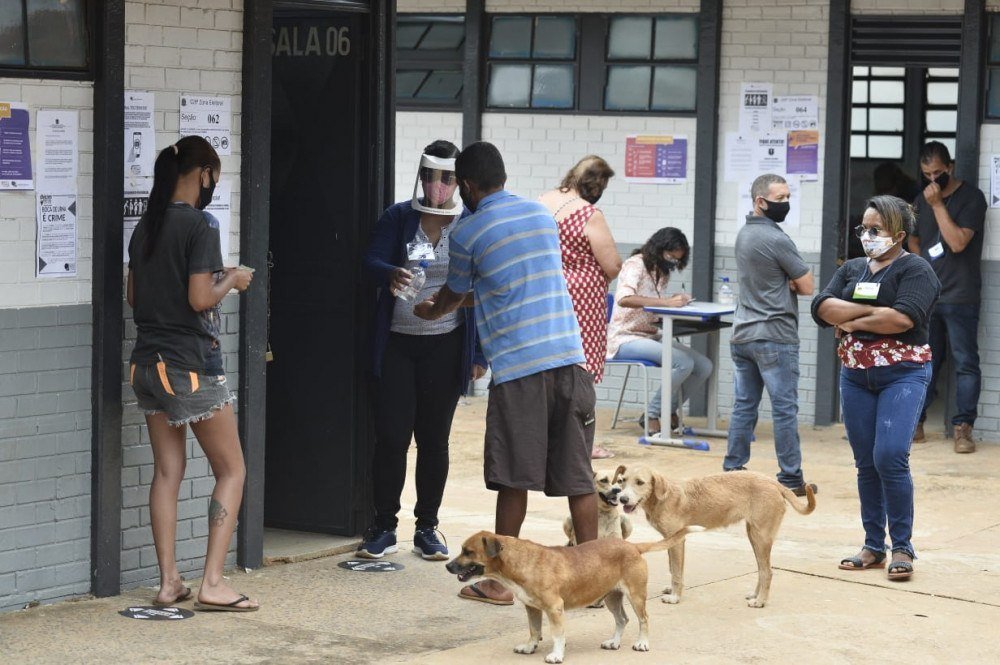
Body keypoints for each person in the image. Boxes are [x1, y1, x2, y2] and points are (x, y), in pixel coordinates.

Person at [414, 141, 598, 605]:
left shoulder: (469, 231)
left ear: (470, 186)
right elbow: (511, 285)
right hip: (569, 360)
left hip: (519, 369)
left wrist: (432, 311)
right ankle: (598, 580)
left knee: (513, 476)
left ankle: (498, 582)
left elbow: (455, 294)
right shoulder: (541, 216)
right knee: (578, 476)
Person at [126, 136, 258, 611]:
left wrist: (210, 274)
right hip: (190, 368)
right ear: (203, 173)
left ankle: (168, 583)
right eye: (214, 179)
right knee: (233, 468)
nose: (212, 188)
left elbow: (135, 298)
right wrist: (233, 279)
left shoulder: (146, 227)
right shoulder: (202, 223)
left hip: (145, 365)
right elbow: (200, 299)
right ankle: (213, 583)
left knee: (167, 471)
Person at [358, 140, 487, 560]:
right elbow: (370, 261)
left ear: (459, 182)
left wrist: (479, 354)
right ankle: (383, 525)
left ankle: (427, 526)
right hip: (397, 339)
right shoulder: (399, 217)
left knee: (434, 439)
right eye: (430, 176)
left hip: (446, 342)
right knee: (392, 437)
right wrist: (390, 273)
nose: (437, 185)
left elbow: (482, 288)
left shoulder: (468, 222)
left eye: (446, 178)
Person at [812, 195, 940, 581]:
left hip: (903, 374)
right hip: (855, 376)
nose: (867, 236)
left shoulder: (916, 271)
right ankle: (873, 545)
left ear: (898, 235)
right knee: (865, 461)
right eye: (863, 229)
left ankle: (902, 545)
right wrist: (868, 316)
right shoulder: (852, 268)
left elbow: (902, 318)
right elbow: (821, 307)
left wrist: (848, 316)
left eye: (876, 230)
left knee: (890, 456)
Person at [723, 173, 816, 496]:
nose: (786, 204)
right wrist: (786, 282)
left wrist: (782, 281)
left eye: (789, 197)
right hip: (775, 335)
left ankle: (733, 470)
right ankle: (791, 478)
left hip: (743, 334)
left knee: (744, 406)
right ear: (760, 202)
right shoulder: (777, 239)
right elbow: (807, 285)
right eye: (780, 198)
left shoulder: (744, 234)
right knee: (784, 408)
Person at [540, 155, 622, 458]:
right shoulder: (588, 213)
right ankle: (580, 442)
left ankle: (547, 438)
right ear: (596, 184)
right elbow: (612, 265)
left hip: (546, 293)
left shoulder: (544, 201)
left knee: (551, 370)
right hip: (582, 302)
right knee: (580, 372)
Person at [908, 141, 987, 453]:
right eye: (926, 174)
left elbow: (956, 243)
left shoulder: (971, 198)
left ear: (950, 168)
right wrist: (924, 263)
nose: (931, 180)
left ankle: (963, 428)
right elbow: (912, 238)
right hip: (930, 297)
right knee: (925, 361)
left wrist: (939, 204)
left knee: (966, 363)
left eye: (937, 173)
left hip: (961, 296)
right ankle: (916, 422)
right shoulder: (919, 198)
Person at [606, 228, 710, 435]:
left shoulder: (661, 271)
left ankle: (667, 409)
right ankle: (652, 414)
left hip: (651, 334)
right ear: (659, 248)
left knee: (704, 366)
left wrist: (677, 300)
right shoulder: (635, 265)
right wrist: (666, 302)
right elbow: (624, 298)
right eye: (671, 257)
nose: (672, 262)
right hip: (625, 338)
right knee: (683, 362)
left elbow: (654, 304)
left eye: (676, 260)